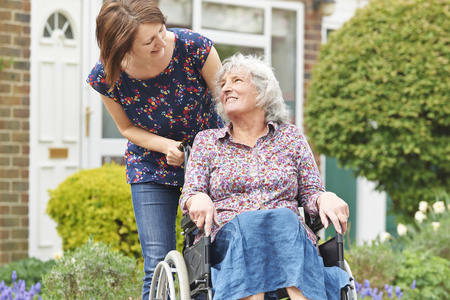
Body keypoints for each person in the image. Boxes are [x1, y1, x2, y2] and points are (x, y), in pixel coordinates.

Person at [180, 53, 350, 300]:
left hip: (288, 238)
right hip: (229, 239)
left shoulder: (290, 138)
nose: (226, 87)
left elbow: (312, 191)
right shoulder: (207, 142)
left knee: (283, 219)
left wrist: (326, 197)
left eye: (236, 80)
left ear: (262, 92)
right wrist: (197, 199)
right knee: (251, 223)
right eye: (224, 83)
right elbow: (191, 192)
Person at [86, 0, 223, 298]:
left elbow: (227, 105)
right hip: (151, 164)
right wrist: (166, 147)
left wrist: (203, 152)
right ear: (123, 47)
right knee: (158, 264)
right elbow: (126, 128)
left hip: (207, 162)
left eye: (161, 30)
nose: (162, 41)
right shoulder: (106, 75)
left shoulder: (194, 48)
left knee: (210, 257)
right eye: (149, 41)